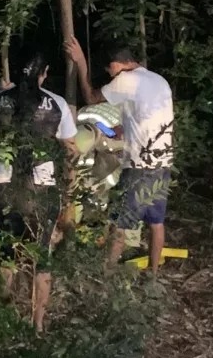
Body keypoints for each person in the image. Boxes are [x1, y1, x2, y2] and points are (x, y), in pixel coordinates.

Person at [0, 51, 78, 332]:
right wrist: (69, 192)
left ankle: (6, 318)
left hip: (3, 185)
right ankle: (38, 325)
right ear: (43, 74)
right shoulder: (56, 103)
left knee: (6, 253)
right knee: (42, 255)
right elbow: (70, 151)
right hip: (41, 188)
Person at [64, 37, 175, 276]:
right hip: (162, 164)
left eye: (109, 68)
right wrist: (115, 132)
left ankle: (108, 272)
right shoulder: (158, 80)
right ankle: (154, 275)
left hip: (138, 165)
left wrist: (81, 62)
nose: (109, 73)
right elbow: (143, 119)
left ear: (118, 63)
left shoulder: (127, 80)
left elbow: (91, 97)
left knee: (119, 222)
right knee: (156, 223)